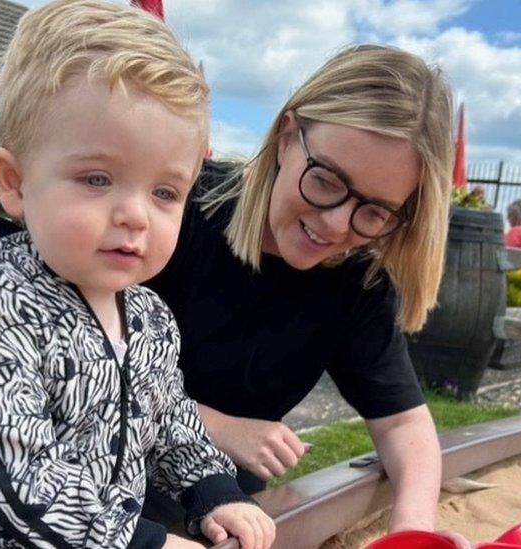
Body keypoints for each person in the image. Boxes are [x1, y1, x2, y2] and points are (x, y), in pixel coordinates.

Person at [0, 2, 275, 548]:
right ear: (15, 183)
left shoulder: (148, 317)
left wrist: (211, 488)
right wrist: (147, 543)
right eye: (97, 178)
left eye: (165, 192)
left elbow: (169, 419)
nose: (135, 214)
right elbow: (17, 479)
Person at [143, 45, 471, 548]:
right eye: (326, 180)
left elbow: (404, 422)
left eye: (376, 212)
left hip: (222, 507)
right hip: (90, 483)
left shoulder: (358, 281)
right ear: (286, 136)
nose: (336, 224)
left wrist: (412, 532)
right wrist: (220, 428)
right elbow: (69, 365)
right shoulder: (176, 213)